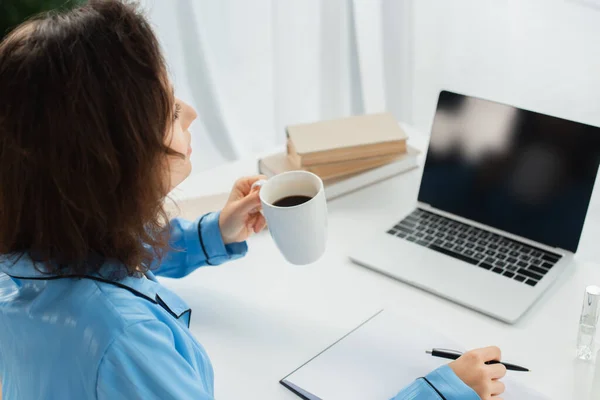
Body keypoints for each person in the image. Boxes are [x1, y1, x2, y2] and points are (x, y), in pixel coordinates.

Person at [0, 1, 506, 399]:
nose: (193, 114)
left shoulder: (26, 259)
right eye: (170, 112)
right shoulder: (128, 346)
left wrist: (211, 234)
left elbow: (103, 255)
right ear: (113, 158)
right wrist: (439, 393)